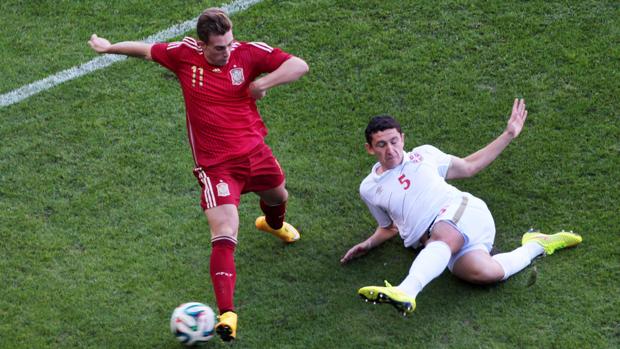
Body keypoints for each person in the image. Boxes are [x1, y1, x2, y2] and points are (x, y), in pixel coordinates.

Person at [88, 8, 309, 341]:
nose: (227, 51)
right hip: (216, 166)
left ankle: (272, 224)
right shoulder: (183, 56)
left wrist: (264, 81)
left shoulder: (247, 52)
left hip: (256, 152)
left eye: (229, 43)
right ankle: (227, 314)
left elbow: (298, 65)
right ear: (203, 45)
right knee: (224, 231)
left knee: (279, 197)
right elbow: (146, 49)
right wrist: (109, 47)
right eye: (219, 47)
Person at [340, 99, 582, 315]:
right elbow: (390, 227)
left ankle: (406, 290)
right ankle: (536, 245)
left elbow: (469, 166)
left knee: (444, 235)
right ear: (370, 149)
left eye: (394, 141)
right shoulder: (369, 188)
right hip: (440, 241)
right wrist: (368, 244)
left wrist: (508, 134)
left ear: (403, 139)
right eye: (381, 145)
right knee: (485, 273)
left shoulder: (424, 154)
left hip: (461, 211)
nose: (390, 150)